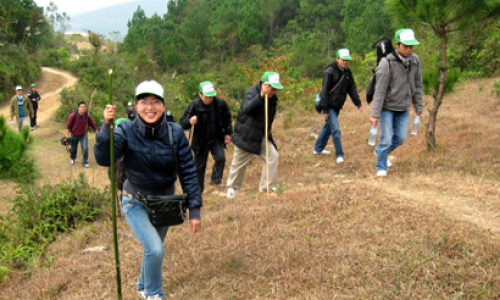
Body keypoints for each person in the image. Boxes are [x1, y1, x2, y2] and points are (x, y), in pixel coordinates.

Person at [94, 80, 202, 300]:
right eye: (144, 102)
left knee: (153, 249)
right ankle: (153, 294)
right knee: (155, 249)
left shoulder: (175, 133)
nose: (149, 108)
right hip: (134, 200)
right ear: (135, 106)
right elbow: (104, 158)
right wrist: (106, 126)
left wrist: (195, 210)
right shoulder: (125, 129)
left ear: (163, 105)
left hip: (164, 203)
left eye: (155, 102)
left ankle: (143, 286)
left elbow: (188, 173)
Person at [370, 28, 423, 176]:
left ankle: (380, 151)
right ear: (397, 45)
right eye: (405, 46)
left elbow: (418, 85)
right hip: (387, 107)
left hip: (403, 108)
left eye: (411, 46)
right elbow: (379, 91)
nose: (408, 49)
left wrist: (419, 107)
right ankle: (381, 167)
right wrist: (375, 114)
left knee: (400, 138)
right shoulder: (386, 63)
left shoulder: (415, 61)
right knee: (386, 139)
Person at [226, 72, 283, 198]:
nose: (273, 91)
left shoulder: (273, 98)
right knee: (239, 162)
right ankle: (231, 187)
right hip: (246, 134)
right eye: (271, 88)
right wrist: (261, 96)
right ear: (264, 85)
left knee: (273, 156)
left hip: (261, 134)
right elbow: (247, 109)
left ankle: (266, 187)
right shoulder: (251, 93)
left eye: (275, 89)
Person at [180, 81, 233, 192]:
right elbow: (183, 122)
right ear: (200, 94)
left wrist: (228, 133)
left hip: (215, 138)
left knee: (221, 158)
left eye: (211, 96)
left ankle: (215, 179)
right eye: (206, 97)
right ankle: (199, 190)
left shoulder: (220, 104)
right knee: (200, 167)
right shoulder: (194, 105)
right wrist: (190, 121)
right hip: (200, 141)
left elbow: (227, 118)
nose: (209, 99)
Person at [314, 48, 363, 163]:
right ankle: (339, 154)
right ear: (337, 59)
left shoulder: (347, 72)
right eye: (343, 59)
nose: (345, 62)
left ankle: (318, 149)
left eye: (347, 60)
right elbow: (325, 91)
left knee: (328, 127)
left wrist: (358, 103)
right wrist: (325, 109)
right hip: (329, 105)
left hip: (337, 105)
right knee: (335, 129)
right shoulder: (329, 72)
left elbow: (352, 89)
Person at [65, 101, 98, 167]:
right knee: (73, 148)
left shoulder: (87, 115)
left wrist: (96, 132)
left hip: (83, 135)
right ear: (78, 108)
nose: (83, 108)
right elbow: (68, 126)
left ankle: (85, 161)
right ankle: (73, 158)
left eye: (84, 106)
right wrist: (67, 135)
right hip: (74, 135)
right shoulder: (73, 115)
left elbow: (92, 124)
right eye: (82, 107)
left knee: (85, 148)